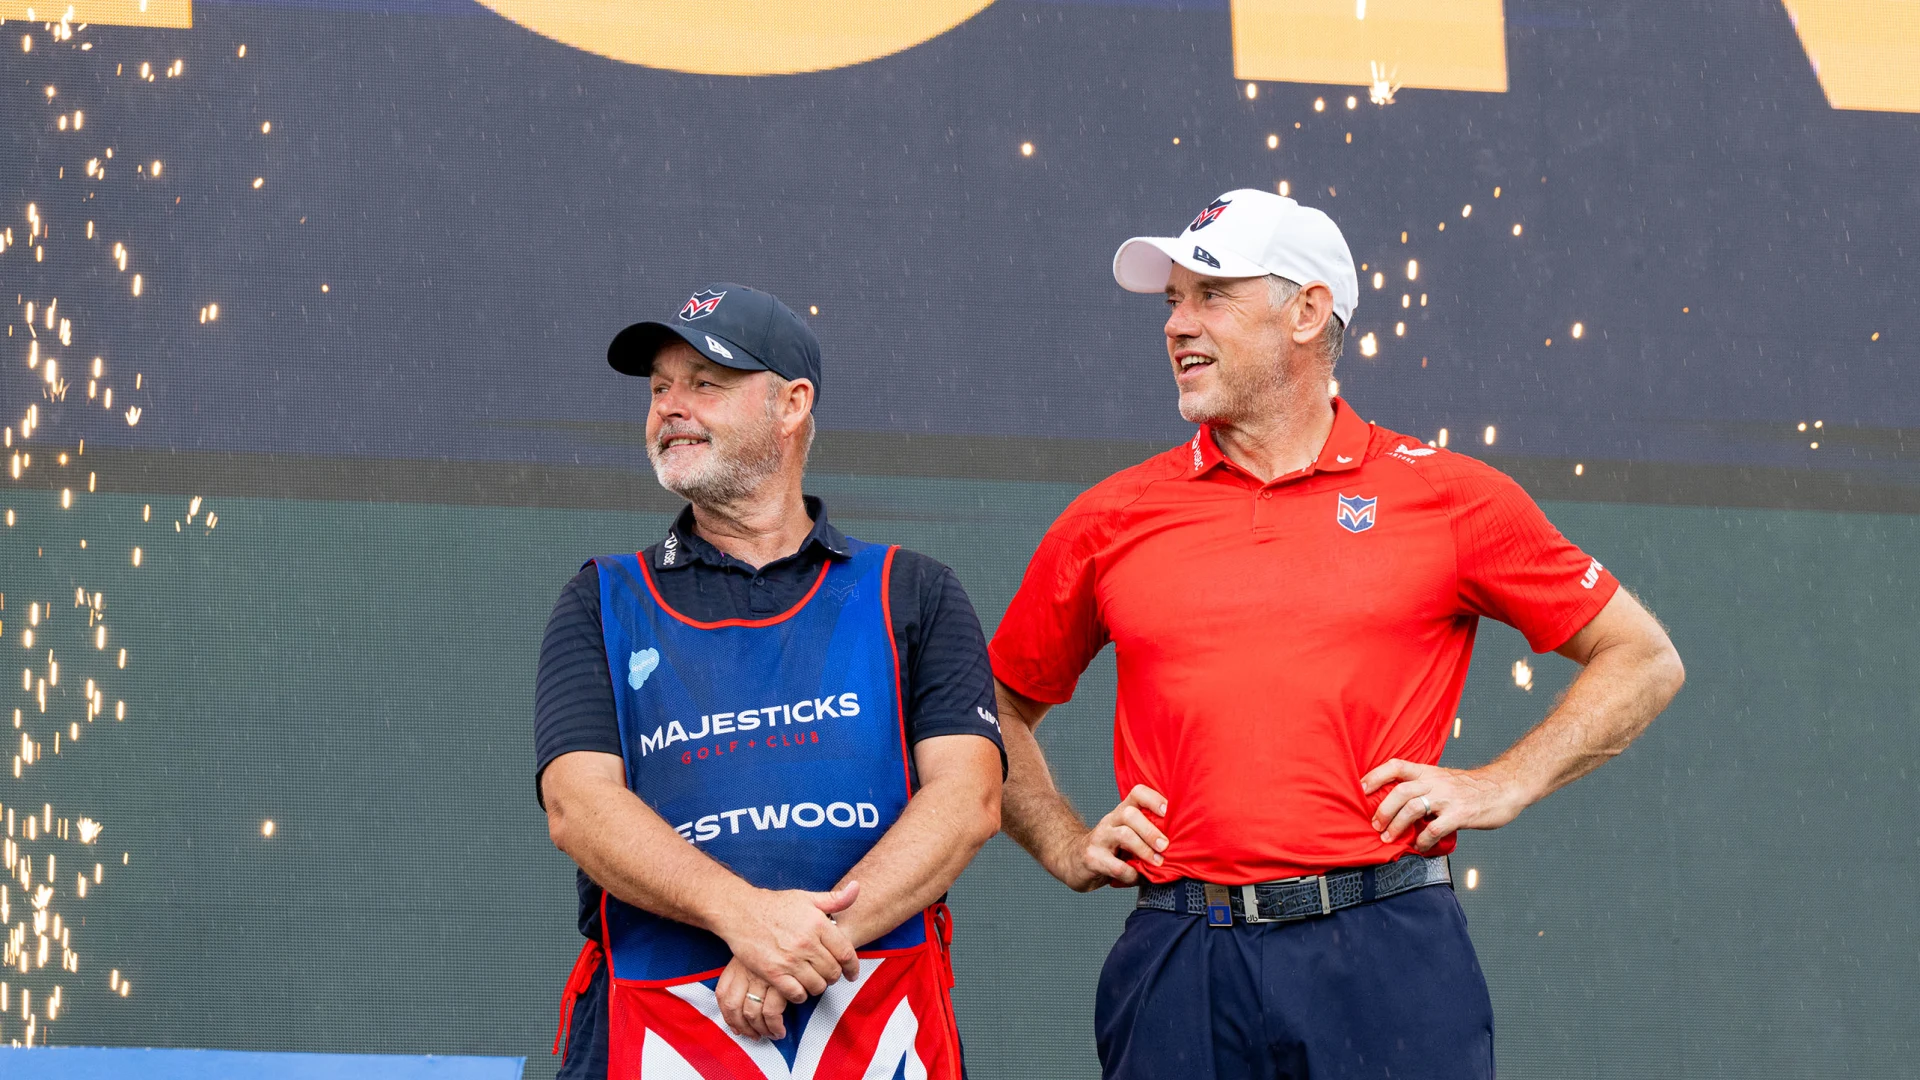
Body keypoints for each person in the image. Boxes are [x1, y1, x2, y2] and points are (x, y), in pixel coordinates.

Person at [988, 190, 1686, 1079]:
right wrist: (1061, 838)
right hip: (1179, 954)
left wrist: (1504, 782)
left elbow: (1642, 657)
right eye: (1172, 301)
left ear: (1308, 312)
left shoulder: (1448, 494)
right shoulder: (1111, 515)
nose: (1177, 324)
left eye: (1212, 295)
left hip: (1386, 949)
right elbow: (991, 708)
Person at [536, 283, 1004, 1078]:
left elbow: (968, 800)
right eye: (659, 388)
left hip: (878, 1020)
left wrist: (797, 948)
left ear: (792, 404)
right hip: (659, 1024)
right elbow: (578, 808)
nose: (671, 407)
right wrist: (745, 917)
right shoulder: (601, 598)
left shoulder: (913, 589)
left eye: (704, 383)